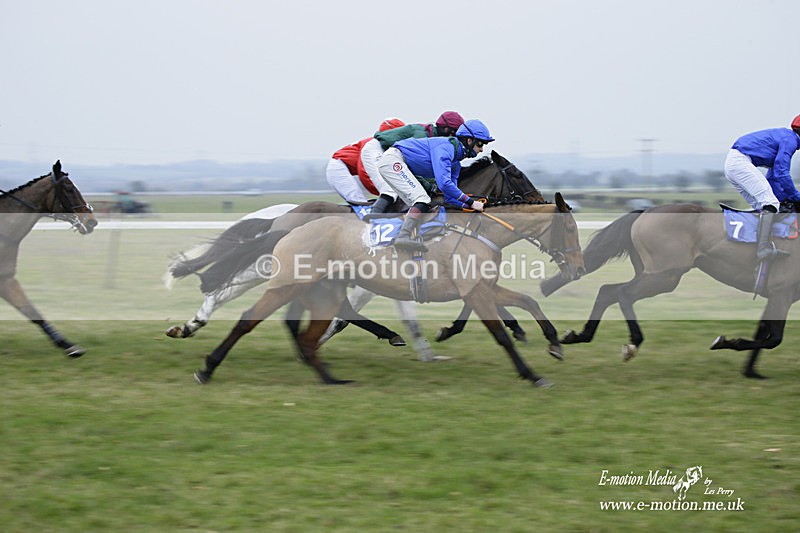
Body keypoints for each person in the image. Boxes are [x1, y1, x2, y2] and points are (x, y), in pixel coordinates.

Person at [377, 119, 495, 251]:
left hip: (396, 162)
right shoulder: (446, 148)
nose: (481, 149)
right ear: (469, 141)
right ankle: (402, 237)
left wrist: (467, 206)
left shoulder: (455, 164)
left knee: (420, 207)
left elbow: (449, 197)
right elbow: (444, 184)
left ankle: (403, 241)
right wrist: (471, 202)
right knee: (422, 200)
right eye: (480, 144)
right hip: (393, 160)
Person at [724, 114, 800, 260]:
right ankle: (763, 249)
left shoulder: (786, 138)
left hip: (734, 164)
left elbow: (773, 178)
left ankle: (756, 246)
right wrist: (796, 198)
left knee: (766, 206)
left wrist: (786, 199)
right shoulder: (790, 140)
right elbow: (782, 173)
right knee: (770, 203)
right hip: (740, 162)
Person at [366, 111, 465, 215]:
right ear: (446, 128)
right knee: (390, 190)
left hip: (392, 154)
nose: (454, 138)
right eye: (454, 132)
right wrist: (430, 186)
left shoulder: (435, 141)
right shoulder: (422, 136)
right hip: (378, 149)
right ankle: (372, 220)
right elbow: (413, 168)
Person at [326, 118, 406, 204]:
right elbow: (365, 173)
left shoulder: (383, 145)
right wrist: (383, 192)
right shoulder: (372, 146)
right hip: (339, 167)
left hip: (344, 166)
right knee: (358, 201)